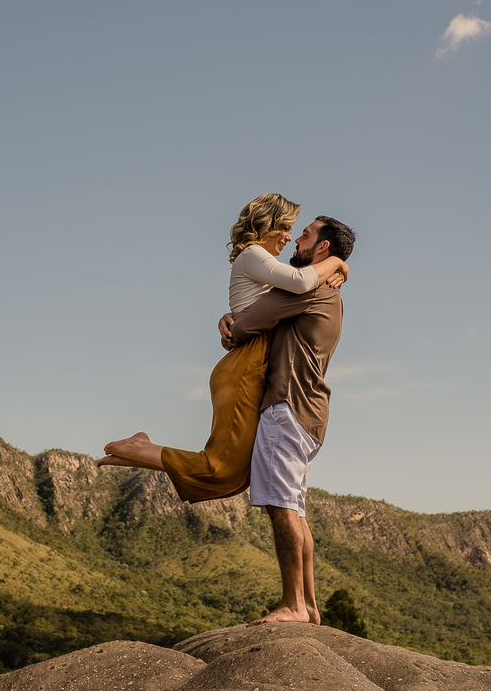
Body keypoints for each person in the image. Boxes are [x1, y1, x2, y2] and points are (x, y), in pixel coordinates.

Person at [97, 194, 348, 503]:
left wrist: (337, 269)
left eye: (294, 230)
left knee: (239, 474)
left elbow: (290, 291)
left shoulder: (264, 262)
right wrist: (338, 262)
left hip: (254, 361)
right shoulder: (254, 255)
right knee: (223, 468)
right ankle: (140, 448)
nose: (289, 237)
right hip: (246, 364)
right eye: (284, 227)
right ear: (264, 224)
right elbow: (300, 281)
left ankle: (143, 453)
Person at [218, 215, 355, 626]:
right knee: (294, 508)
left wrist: (229, 323)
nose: (297, 239)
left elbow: (246, 324)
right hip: (307, 412)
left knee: (281, 507)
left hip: (287, 406)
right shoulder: (327, 291)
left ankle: (293, 604)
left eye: (307, 235)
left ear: (323, 249)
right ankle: (309, 606)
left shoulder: (310, 290)